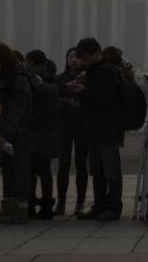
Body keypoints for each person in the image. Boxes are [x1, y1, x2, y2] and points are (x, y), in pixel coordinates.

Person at [71, 38, 125, 221]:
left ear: (96, 54)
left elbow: (107, 98)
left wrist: (83, 91)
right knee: (97, 171)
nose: (83, 62)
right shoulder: (92, 71)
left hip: (108, 128)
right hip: (94, 128)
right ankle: (99, 205)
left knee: (110, 171)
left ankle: (114, 206)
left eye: (85, 58)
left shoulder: (107, 71)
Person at [0, 42, 32, 224]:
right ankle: (8, 204)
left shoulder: (19, 78)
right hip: (4, 127)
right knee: (7, 168)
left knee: (20, 169)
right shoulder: (1, 77)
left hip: (20, 131)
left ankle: (20, 208)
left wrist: (6, 133)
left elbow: (17, 110)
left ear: (2, 62)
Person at [25, 50, 60, 220]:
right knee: (45, 172)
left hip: (34, 129)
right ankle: (46, 206)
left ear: (30, 62)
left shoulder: (30, 78)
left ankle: (31, 205)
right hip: (49, 130)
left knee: (31, 171)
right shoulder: (51, 76)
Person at [55, 47, 88, 216]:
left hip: (82, 125)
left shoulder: (88, 78)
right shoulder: (60, 79)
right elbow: (53, 99)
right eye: (70, 57)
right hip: (64, 125)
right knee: (63, 165)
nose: (74, 60)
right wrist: (67, 100)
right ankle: (61, 202)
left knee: (82, 165)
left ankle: (80, 202)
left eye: (77, 57)